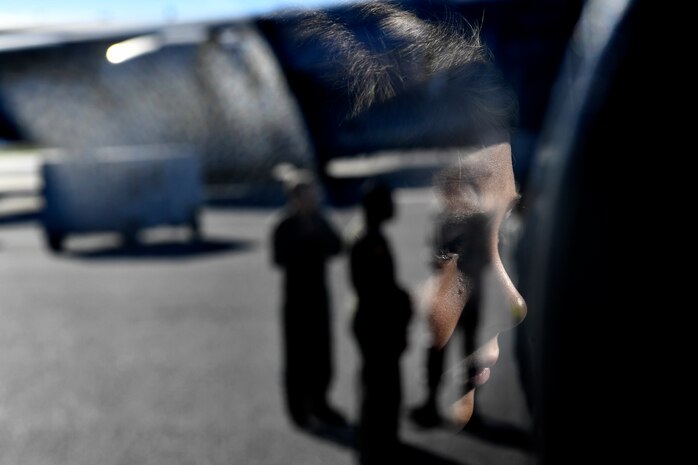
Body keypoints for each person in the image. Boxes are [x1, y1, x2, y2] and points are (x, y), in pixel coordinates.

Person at [271, 170, 347, 428]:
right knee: (296, 358)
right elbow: (278, 258)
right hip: (295, 301)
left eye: (313, 194)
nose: (311, 199)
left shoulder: (319, 220)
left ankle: (320, 403)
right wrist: (307, 243)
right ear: (294, 197)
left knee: (322, 355)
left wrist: (318, 233)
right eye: (306, 194)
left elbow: (338, 246)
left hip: (318, 298)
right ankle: (298, 411)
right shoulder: (284, 225)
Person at [349, 181, 412, 464]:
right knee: (379, 388)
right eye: (388, 201)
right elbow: (374, 289)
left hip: (378, 323)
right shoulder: (367, 240)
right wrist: (402, 302)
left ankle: (382, 441)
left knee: (382, 386)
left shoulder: (372, 237)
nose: (393, 207)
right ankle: (376, 445)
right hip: (376, 327)